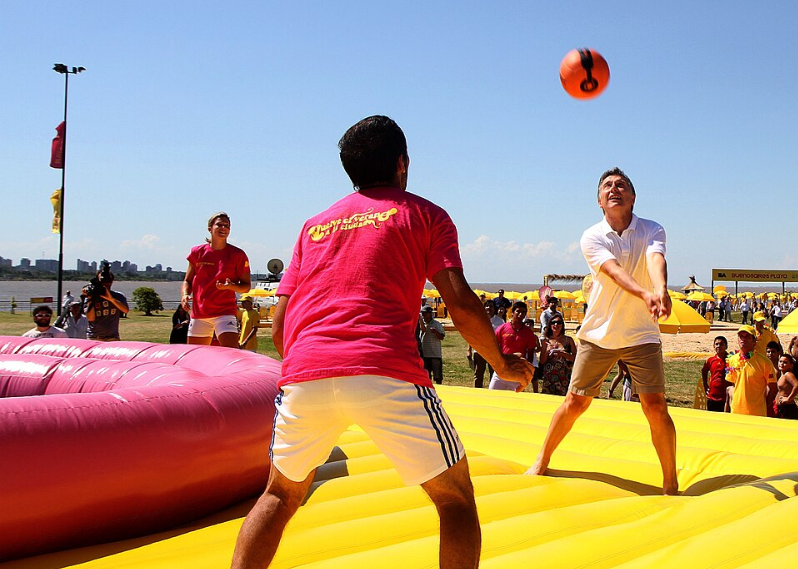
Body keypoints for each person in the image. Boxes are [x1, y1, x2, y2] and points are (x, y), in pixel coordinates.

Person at [230, 115, 534, 569]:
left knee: (278, 496)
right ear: (402, 163)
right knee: (454, 498)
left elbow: (280, 323)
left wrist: (313, 365)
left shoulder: (314, 226)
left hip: (305, 374)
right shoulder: (425, 214)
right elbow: (459, 301)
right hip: (384, 369)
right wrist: (502, 363)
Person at [528, 167, 678, 496]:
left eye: (621, 185)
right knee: (575, 403)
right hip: (599, 333)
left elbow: (655, 259)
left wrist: (661, 289)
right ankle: (542, 459)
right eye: (607, 186)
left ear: (633, 197)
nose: (614, 189)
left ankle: (670, 482)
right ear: (599, 200)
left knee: (655, 407)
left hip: (641, 334)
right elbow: (612, 271)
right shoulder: (592, 236)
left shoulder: (652, 229)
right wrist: (645, 294)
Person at [182, 212, 252, 348]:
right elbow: (187, 281)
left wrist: (230, 286)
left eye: (227, 226)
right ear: (210, 228)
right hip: (199, 314)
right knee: (196, 355)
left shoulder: (238, 255)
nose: (223, 228)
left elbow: (246, 287)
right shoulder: (197, 252)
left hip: (224, 313)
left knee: (231, 353)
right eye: (219, 225)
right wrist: (185, 295)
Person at [726, 325, 777, 417]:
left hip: (757, 413)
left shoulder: (764, 362)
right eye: (741, 336)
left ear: (754, 341)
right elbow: (734, 385)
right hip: (736, 411)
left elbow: (773, 388)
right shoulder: (732, 360)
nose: (743, 339)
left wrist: (764, 405)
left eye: (747, 337)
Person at [489, 301, 539, 392]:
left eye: (523, 312)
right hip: (501, 370)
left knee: (517, 398)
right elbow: (494, 346)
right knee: (492, 395)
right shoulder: (502, 328)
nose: (520, 314)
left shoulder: (528, 333)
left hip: (517, 372)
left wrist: (525, 370)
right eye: (518, 311)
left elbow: (530, 354)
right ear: (512, 312)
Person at [85, 270, 129, 341]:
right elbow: (90, 318)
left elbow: (125, 310)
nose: (106, 283)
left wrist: (111, 299)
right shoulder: (91, 297)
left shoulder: (118, 296)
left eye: (109, 280)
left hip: (112, 337)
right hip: (94, 337)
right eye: (103, 280)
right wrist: (91, 299)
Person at [468, 300, 504, 388]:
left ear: (494, 308)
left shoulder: (500, 322)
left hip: (494, 352)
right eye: (487, 306)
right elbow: (472, 336)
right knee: (478, 373)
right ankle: (477, 391)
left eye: (491, 306)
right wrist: (469, 350)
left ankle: (493, 391)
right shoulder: (478, 319)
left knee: (494, 374)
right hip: (480, 350)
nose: (488, 308)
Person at [538, 314, 577, 396]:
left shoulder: (568, 340)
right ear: (550, 325)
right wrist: (546, 350)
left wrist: (563, 354)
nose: (556, 325)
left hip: (564, 376)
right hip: (549, 376)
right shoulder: (546, 340)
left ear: (562, 325)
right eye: (553, 322)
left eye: (559, 322)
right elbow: (542, 361)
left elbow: (575, 359)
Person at [701, 336, 730, 412]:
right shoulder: (711, 360)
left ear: (726, 346)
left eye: (721, 344)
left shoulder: (731, 360)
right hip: (712, 396)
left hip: (726, 397)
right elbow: (704, 371)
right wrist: (705, 385)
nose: (719, 346)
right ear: (714, 346)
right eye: (717, 344)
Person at [418, 305, 446, 384]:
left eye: (425, 313)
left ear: (430, 314)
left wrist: (435, 332)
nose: (424, 315)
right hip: (425, 355)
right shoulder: (422, 324)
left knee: (438, 377)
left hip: (435, 355)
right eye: (422, 314)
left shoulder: (436, 324)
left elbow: (442, 337)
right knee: (426, 377)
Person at [773, 354, 798, 419]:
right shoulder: (782, 375)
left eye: (785, 362)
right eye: (780, 361)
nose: (782, 364)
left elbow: (797, 385)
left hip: (787, 408)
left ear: (791, 365)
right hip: (781, 408)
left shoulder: (788, 374)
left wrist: (788, 399)